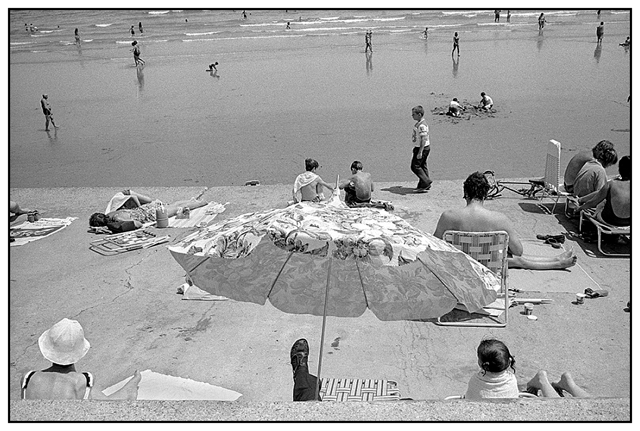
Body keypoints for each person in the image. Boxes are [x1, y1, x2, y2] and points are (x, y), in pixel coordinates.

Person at [433, 172, 578, 270]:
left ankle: (557, 260)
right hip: (488, 264)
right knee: (513, 258)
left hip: (460, 265)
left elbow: (434, 246)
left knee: (510, 258)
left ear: (465, 193)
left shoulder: (448, 217)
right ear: (486, 194)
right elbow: (519, 251)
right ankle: (557, 261)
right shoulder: (499, 220)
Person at [21, 318, 141, 400]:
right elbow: (107, 404)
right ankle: (129, 391)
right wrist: (131, 387)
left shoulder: (28, 378)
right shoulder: (81, 381)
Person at [89, 189, 208, 233]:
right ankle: (196, 202)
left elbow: (138, 224)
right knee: (175, 204)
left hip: (152, 214)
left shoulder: (117, 220)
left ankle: (201, 203)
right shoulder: (110, 213)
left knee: (178, 209)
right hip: (148, 207)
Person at [577, 156, 630, 226]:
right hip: (628, 223)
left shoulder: (611, 184)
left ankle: (581, 200)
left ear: (620, 170)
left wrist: (579, 208)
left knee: (603, 201)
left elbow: (593, 203)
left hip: (610, 220)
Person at [410, 105, 432, 192]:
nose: (412, 116)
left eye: (413, 114)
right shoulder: (419, 123)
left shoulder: (422, 125)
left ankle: (426, 182)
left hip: (422, 148)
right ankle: (424, 184)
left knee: (415, 166)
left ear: (419, 114)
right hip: (420, 147)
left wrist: (420, 152)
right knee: (422, 165)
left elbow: (423, 139)